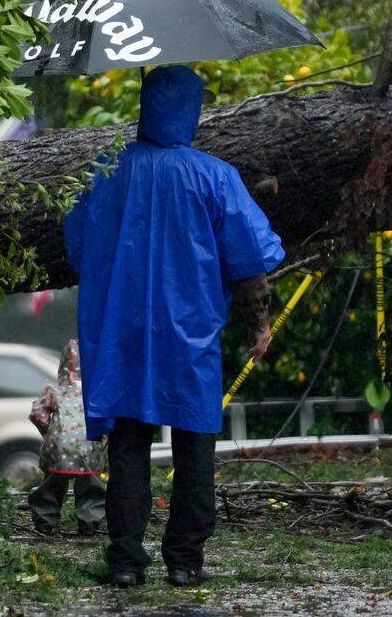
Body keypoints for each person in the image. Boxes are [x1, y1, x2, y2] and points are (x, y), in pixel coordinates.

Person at [64, 66, 282, 588]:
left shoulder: (105, 171)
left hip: (123, 333)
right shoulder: (214, 176)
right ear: (191, 109)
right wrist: (260, 322)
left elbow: (78, 248)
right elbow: (248, 258)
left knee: (129, 444)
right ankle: (184, 560)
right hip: (190, 335)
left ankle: (125, 562)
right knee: (194, 442)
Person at [26, 340, 107, 536]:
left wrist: (48, 431)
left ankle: (46, 521)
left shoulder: (55, 390)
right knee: (91, 487)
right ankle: (89, 523)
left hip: (59, 447)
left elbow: (37, 413)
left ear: (62, 364)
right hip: (91, 445)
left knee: (52, 485)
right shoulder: (96, 390)